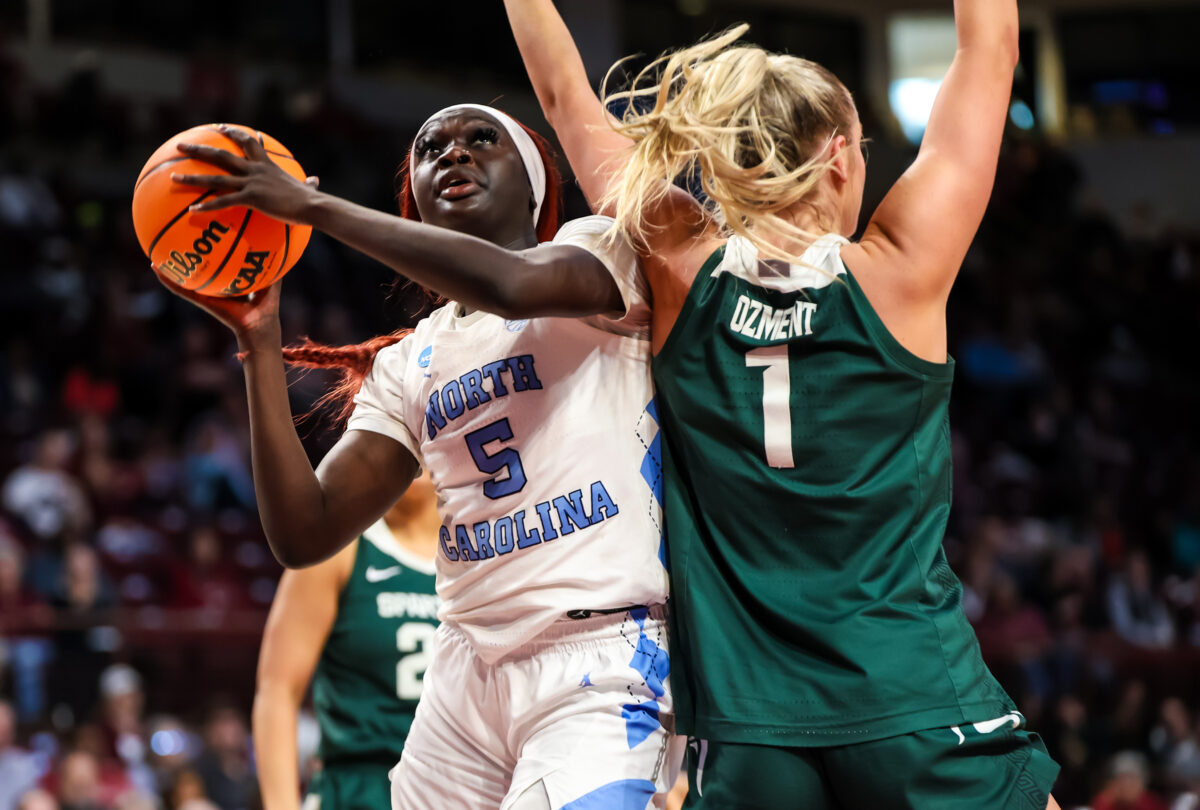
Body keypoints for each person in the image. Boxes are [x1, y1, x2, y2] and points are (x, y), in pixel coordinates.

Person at [499, 0, 1062, 807]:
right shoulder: (900, 268)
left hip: (750, 735)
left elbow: (561, 93)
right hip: (913, 704)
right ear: (840, 158)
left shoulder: (680, 265)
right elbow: (992, 43)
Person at [165, 106, 678, 809]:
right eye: (431, 148)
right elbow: (302, 531)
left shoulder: (595, 255)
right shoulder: (409, 365)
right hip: (466, 672)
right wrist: (259, 340)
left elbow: (510, 286)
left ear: (533, 185)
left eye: (480, 140)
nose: (454, 153)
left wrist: (313, 208)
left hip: (599, 657)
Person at [252, 475, 439, 810]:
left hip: (457, 786)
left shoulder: (486, 549)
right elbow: (278, 690)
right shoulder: (340, 545)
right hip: (358, 787)